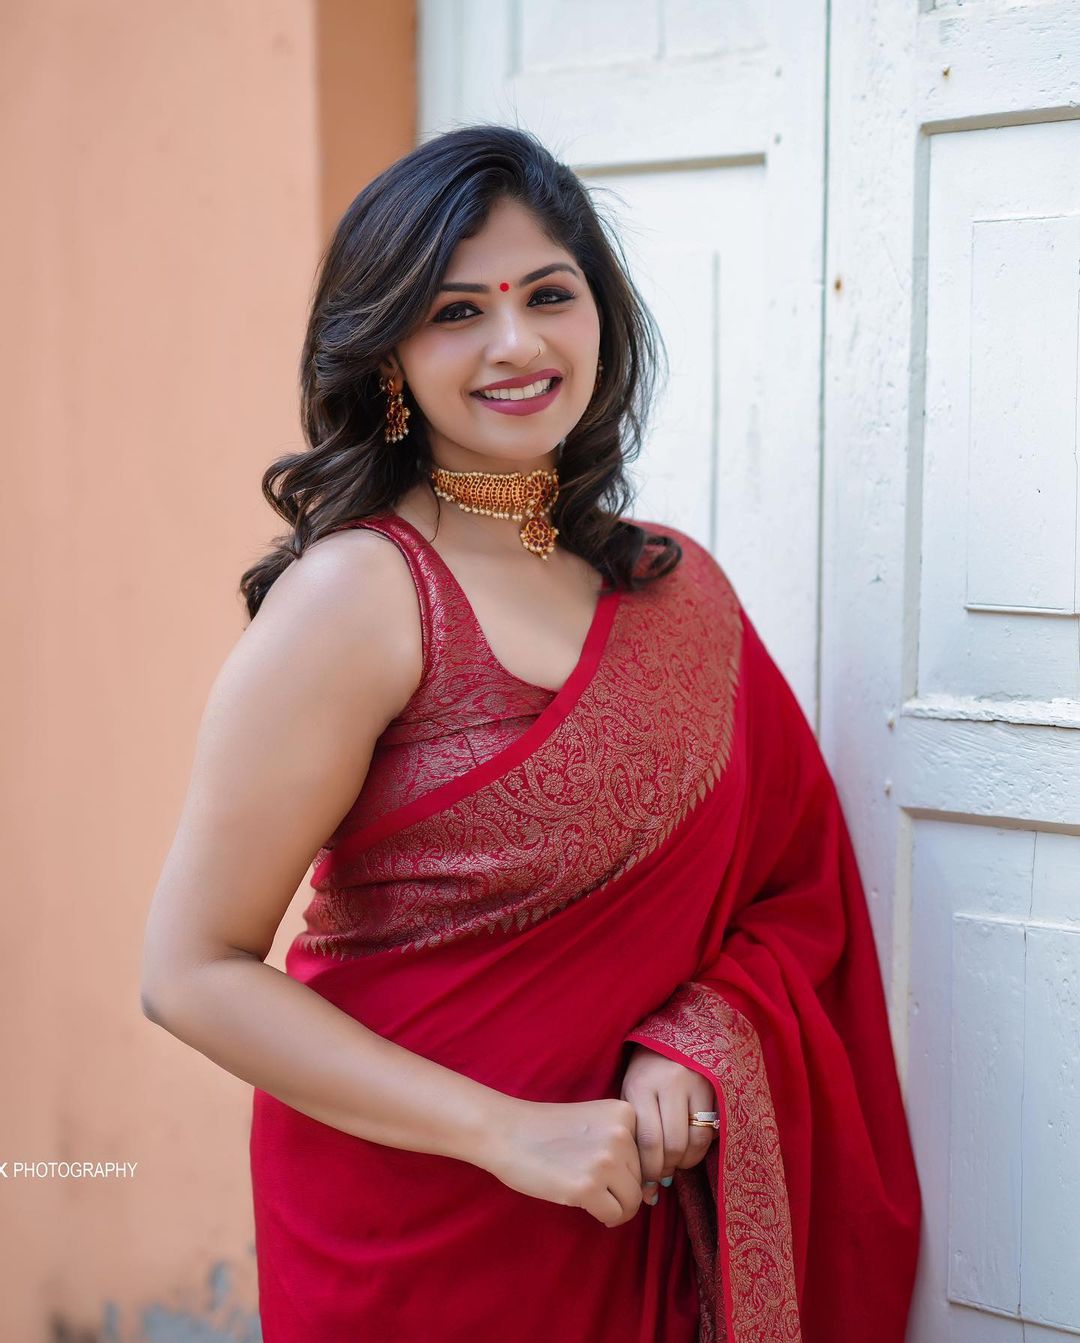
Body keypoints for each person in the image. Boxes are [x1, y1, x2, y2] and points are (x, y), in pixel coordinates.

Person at [139, 124, 921, 1343]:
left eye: (549, 294)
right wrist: (508, 1130)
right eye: (456, 312)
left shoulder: (678, 592)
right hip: (411, 1221)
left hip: (631, 1196)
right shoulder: (358, 596)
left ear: (599, 318)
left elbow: (794, 887)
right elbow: (190, 970)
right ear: (391, 353)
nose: (516, 342)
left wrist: (695, 1041)